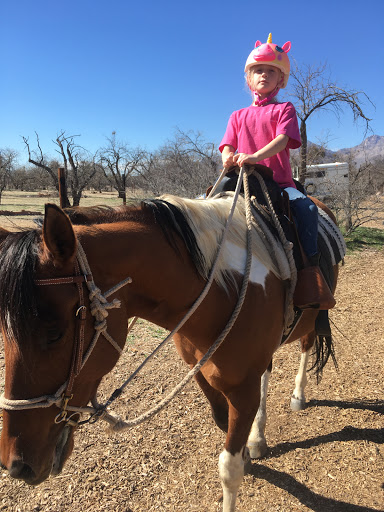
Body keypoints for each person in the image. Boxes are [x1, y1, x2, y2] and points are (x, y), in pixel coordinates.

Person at [219, 33, 335, 319]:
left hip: (277, 182)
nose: (264, 75)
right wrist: (229, 158)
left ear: (280, 80)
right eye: (258, 70)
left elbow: (283, 139)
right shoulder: (236, 115)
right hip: (239, 179)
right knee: (202, 206)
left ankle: (311, 276)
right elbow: (226, 145)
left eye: (272, 71)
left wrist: (256, 156)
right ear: (249, 78)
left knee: (307, 210)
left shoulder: (285, 109)